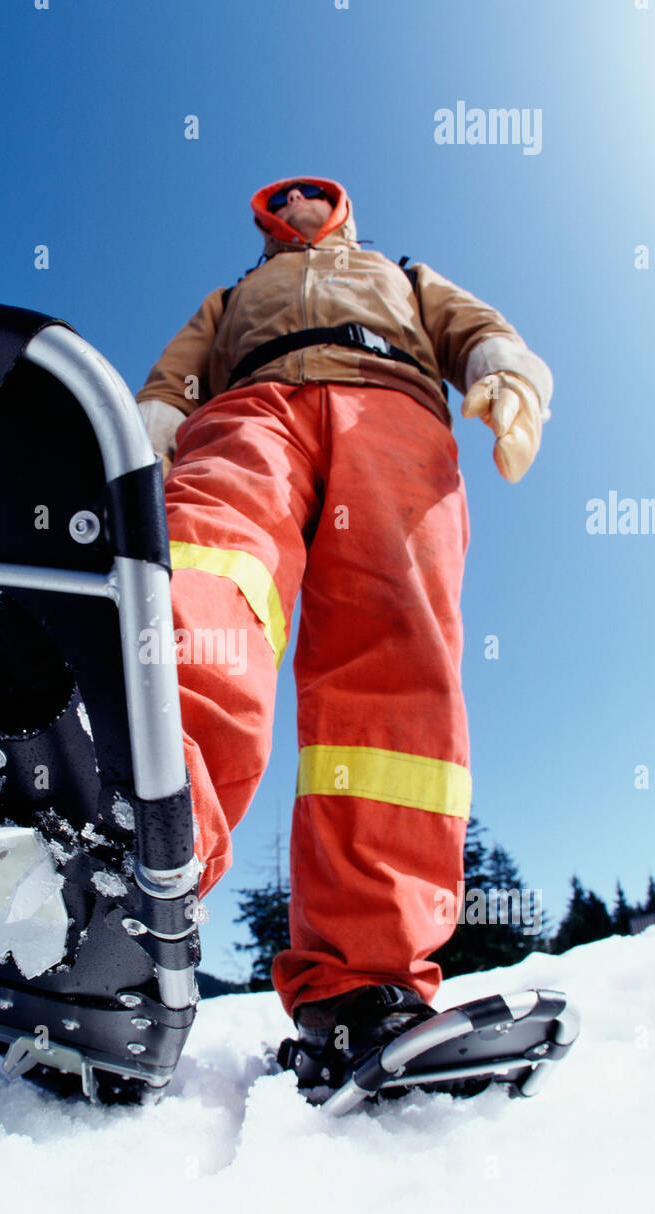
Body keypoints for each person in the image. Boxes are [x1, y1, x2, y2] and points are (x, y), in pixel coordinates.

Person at [135, 177, 552, 1082]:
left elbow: (473, 325)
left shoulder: (401, 276)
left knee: (395, 669)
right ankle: (134, 847)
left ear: (342, 210)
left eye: (310, 197)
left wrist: (502, 369)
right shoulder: (234, 297)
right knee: (208, 575)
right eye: (277, 204)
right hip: (254, 413)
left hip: (393, 413)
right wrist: (150, 430)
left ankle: (364, 986)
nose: (294, 210)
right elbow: (172, 381)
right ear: (262, 224)